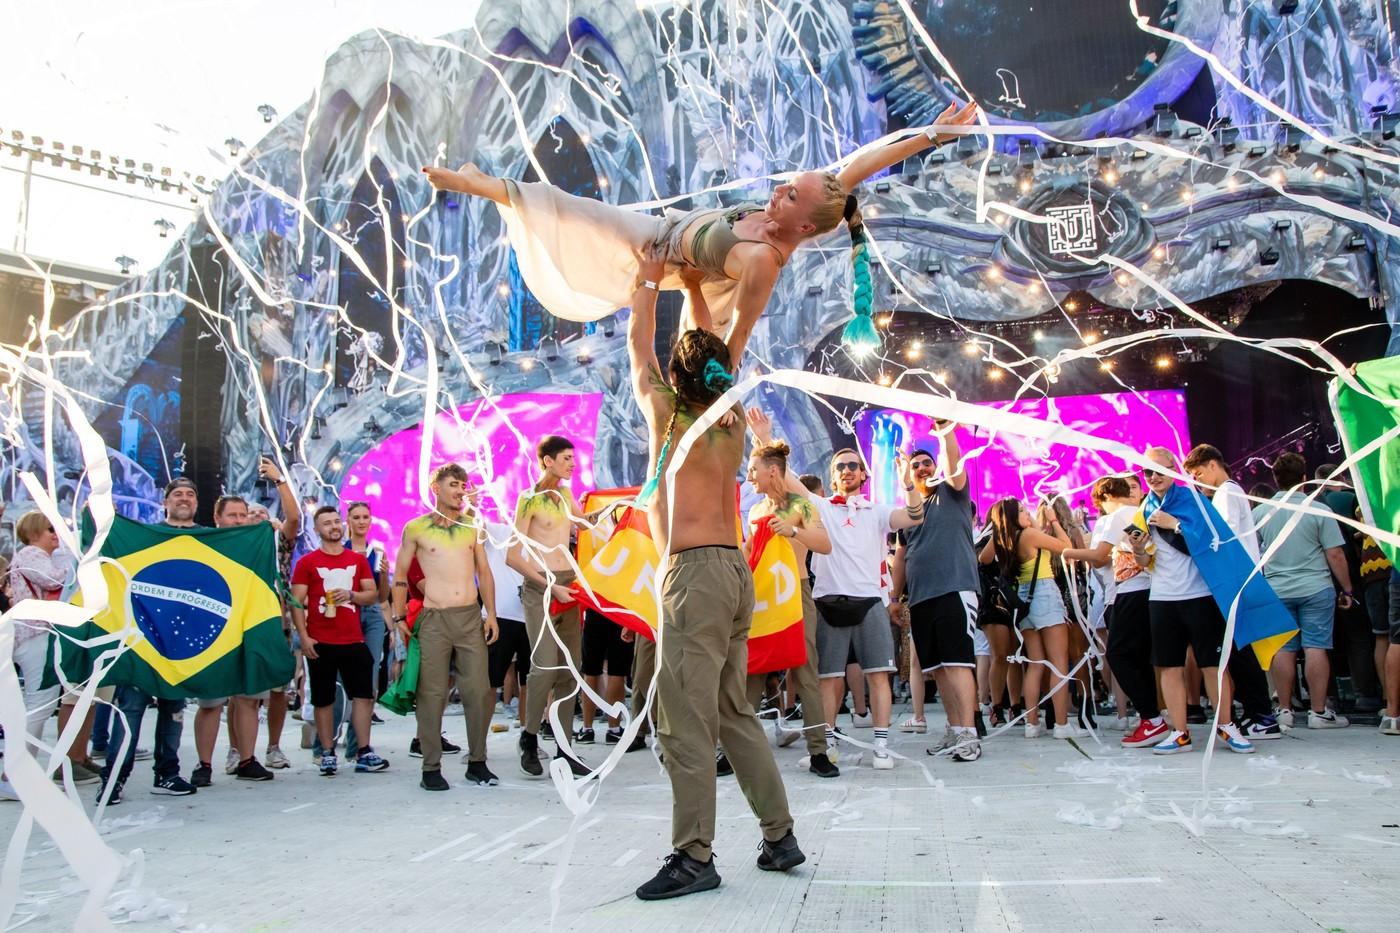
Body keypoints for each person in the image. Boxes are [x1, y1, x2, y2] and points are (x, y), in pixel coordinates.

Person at [422, 103, 980, 359]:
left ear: (805, 225)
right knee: (581, 209)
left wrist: (718, 390)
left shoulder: (762, 261)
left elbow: (738, 334)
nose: (779, 191)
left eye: (790, 195)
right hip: (666, 227)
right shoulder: (811, 204)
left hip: (661, 256)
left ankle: (478, 186)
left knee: (578, 218)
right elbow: (862, 166)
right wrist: (932, 135)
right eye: (787, 185)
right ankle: (484, 184)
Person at [627, 242, 802, 900]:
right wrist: (694, 287)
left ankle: (694, 854)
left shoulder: (669, 415)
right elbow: (714, 352)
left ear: (676, 375)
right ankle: (779, 835)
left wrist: (649, 277)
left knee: (684, 721)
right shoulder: (729, 423)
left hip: (694, 577)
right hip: (732, 572)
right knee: (733, 711)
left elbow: (639, 347)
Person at [1136, 447, 1254, 755]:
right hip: (1161, 596)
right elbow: (1143, 560)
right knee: (1168, 666)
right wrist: (1137, 549)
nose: (1153, 477)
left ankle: (1226, 725)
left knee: (1212, 665)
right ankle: (1180, 732)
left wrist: (1175, 524)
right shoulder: (1144, 508)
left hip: (1200, 594)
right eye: (1148, 472)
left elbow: (1214, 541)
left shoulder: (1195, 500)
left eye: (1160, 470)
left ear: (1173, 470)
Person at [392, 464, 500, 791]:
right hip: (434, 618)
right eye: (454, 484)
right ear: (436, 488)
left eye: (463, 485)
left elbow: (484, 571)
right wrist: (398, 617)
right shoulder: (416, 528)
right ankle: (430, 767)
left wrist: (491, 614)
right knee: (432, 694)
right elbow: (400, 574)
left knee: (478, 691)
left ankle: (477, 762)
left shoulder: (472, 526)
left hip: (469, 617)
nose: (460, 491)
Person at [99, 478, 202, 804]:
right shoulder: (147, 536)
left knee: (174, 711)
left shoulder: (210, 540)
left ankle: (167, 774)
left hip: (182, 644)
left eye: (190, 494)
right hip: (142, 640)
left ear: (197, 503)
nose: (184, 498)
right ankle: (113, 779)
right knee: (130, 709)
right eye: (177, 494)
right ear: (165, 502)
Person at [741, 430, 835, 776]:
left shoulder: (800, 505)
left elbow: (824, 544)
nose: (749, 477)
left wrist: (792, 531)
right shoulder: (756, 509)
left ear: (772, 471)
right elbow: (748, 553)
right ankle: (736, 752)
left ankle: (818, 751)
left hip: (795, 591)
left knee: (805, 669)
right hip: (762, 596)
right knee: (752, 670)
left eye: (753, 470)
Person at [891, 432, 982, 762]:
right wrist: (894, 597)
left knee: (957, 664)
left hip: (954, 589)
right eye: (915, 465)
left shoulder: (952, 491)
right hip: (920, 598)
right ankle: (956, 729)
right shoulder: (909, 511)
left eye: (927, 463)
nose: (921, 468)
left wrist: (945, 430)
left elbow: (953, 461)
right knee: (939, 668)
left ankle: (970, 734)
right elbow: (901, 557)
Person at [1182, 445, 1282, 741]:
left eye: (1198, 474)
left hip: (1236, 581)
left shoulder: (1226, 492)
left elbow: (1221, 535)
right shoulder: (1230, 491)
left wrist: (1184, 525)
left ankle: (1262, 717)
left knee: (1241, 653)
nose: (1197, 481)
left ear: (1213, 465)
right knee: (1239, 653)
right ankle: (1257, 714)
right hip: (1238, 580)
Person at [1062, 476, 1170, 748]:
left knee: (1118, 655)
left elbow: (1100, 557)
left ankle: (1151, 718)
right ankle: (1152, 717)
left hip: (1129, 592)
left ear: (1104, 498)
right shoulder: (1138, 512)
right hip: (1147, 590)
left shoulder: (1115, 517)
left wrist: (1068, 552)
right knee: (1140, 658)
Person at [507, 436, 592, 778]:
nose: (572, 464)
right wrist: (550, 586)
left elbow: (584, 523)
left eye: (573, 458)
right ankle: (529, 737)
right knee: (543, 667)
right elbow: (512, 556)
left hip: (569, 585)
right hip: (541, 587)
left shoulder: (565, 495)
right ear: (548, 461)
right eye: (566, 458)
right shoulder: (529, 499)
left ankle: (565, 748)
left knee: (571, 670)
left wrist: (622, 506)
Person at [1253, 453, 1354, 729]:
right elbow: (1335, 554)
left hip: (1276, 589)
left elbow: (1252, 554)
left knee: (1283, 649)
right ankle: (1318, 712)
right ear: (1304, 478)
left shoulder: (1260, 512)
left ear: (1275, 479)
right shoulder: (1318, 509)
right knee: (1316, 646)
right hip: (1316, 587)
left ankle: (1284, 710)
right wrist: (1346, 588)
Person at [290, 507, 389, 776]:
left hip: (353, 638)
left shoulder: (357, 560)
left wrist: (351, 595)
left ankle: (363, 751)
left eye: (336, 521)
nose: (333, 526)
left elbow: (372, 595)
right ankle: (326, 752)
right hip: (321, 639)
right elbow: (296, 602)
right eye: (327, 523)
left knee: (364, 695)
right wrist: (304, 636)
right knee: (324, 699)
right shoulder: (307, 562)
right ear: (317, 529)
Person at [191, 495, 276, 785]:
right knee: (211, 702)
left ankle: (247, 760)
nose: (239, 520)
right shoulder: (203, 544)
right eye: (232, 515)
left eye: (243, 515)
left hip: (248, 628)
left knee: (249, 699)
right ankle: (204, 764)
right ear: (217, 518)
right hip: (212, 629)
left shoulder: (256, 544)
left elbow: (291, 524)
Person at [980, 498, 1079, 738]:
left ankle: (1031, 724)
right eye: (1022, 510)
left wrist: (1003, 526)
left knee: (1035, 663)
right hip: (1045, 594)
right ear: (1013, 516)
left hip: (1023, 600)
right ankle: (1062, 725)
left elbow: (984, 559)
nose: (1028, 513)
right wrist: (1054, 520)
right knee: (1058, 661)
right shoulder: (1030, 535)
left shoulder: (1006, 538)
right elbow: (1066, 547)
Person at [3, 510, 82, 798]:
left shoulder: (31, 556)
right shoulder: (33, 555)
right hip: (35, 634)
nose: (55, 534)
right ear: (35, 531)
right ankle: (14, 776)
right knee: (39, 704)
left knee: (39, 703)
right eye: (50, 529)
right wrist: (77, 565)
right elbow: (54, 581)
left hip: (33, 634)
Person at [483, 520, 529, 732]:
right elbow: (474, 524)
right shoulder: (500, 531)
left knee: (529, 682)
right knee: (490, 681)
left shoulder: (543, 538)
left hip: (532, 618)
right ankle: (479, 741)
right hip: (500, 617)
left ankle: (528, 738)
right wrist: (471, 504)